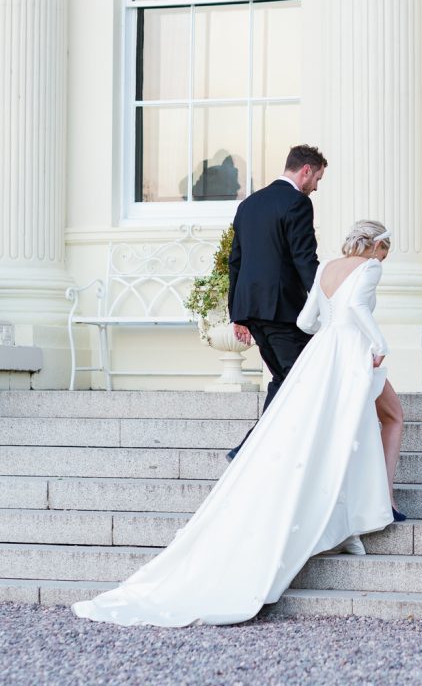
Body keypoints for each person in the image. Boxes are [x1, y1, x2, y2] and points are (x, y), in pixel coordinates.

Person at [71, 220, 398, 628]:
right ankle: (345, 524)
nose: (387, 256)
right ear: (377, 245)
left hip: (320, 355)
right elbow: (357, 309)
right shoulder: (370, 269)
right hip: (349, 353)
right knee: (348, 433)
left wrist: (330, 332)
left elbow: (306, 322)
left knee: (324, 437)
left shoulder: (326, 267)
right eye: (387, 248)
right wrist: (379, 345)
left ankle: (342, 523)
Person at [226, 144, 326, 461]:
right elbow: (304, 259)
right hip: (282, 311)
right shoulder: (297, 203)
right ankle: (251, 450)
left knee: (286, 379)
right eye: (318, 178)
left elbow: (235, 262)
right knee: (302, 376)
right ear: (306, 170)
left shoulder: (249, 204)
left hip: (251, 308)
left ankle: (254, 451)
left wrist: (237, 314)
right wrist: (328, 303)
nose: (316, 187)